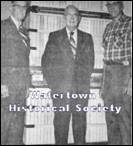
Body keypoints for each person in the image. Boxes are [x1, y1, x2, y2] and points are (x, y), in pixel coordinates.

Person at [41, 5, 94, 145]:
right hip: (61, 91)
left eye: (75, 15)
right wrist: (55, 86)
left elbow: (90, 64)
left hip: (80, 92)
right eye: (69, 15)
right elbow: (46, 63)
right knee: (61, 127)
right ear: (64, 17)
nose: (72, 18)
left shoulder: (87, 38)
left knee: (80, 126)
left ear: (79, 18)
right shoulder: (54, 36)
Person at [101, 1, 132, 145]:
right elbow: (105, 60)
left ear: (121, 5)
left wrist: (131, 81)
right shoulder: (107, 28)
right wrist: (103, 85)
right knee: (111, 119)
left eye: (114, 3)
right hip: (109, 76)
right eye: (108, 4)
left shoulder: (130, 23)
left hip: (123, 74)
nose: (111, 7)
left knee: (124, 120)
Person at [1, 1, 31, 145]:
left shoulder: (24, 32)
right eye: (18, 6)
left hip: (20, 88)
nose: (22, 9)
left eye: (24, 6)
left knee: (17, 128)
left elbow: (24, 61)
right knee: (4, 127)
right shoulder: (3, 27)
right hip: (6, 88)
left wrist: (27, 85)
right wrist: (1, 84)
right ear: (11, 8)